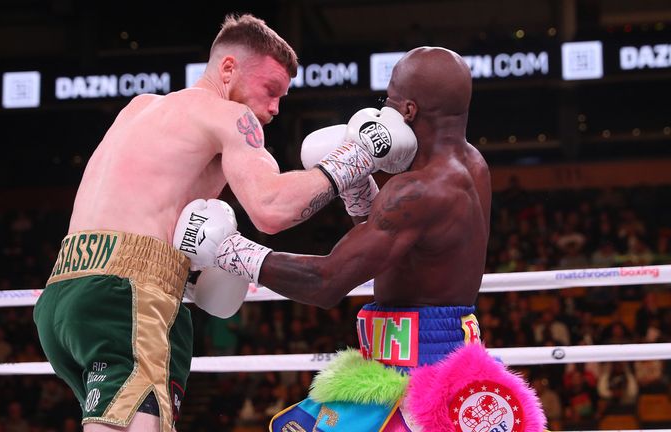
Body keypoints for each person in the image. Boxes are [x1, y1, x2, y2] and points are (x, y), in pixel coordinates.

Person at [33, 13, 417, 432]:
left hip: (63, 296)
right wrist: (354, 159)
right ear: (228, 67)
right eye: (271, 91)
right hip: (128, 293)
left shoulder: (139, 108)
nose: (274, 108)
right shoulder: (229, 117)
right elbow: (270, 209)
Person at [177, 47, 545, 431]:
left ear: (408, 112)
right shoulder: (471, 164)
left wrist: (229, 250)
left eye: (388, 100)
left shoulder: (418, 190)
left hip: (417, 378)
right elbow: (402, 245)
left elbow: (325, 283)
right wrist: (356, 187)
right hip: (432, 357)